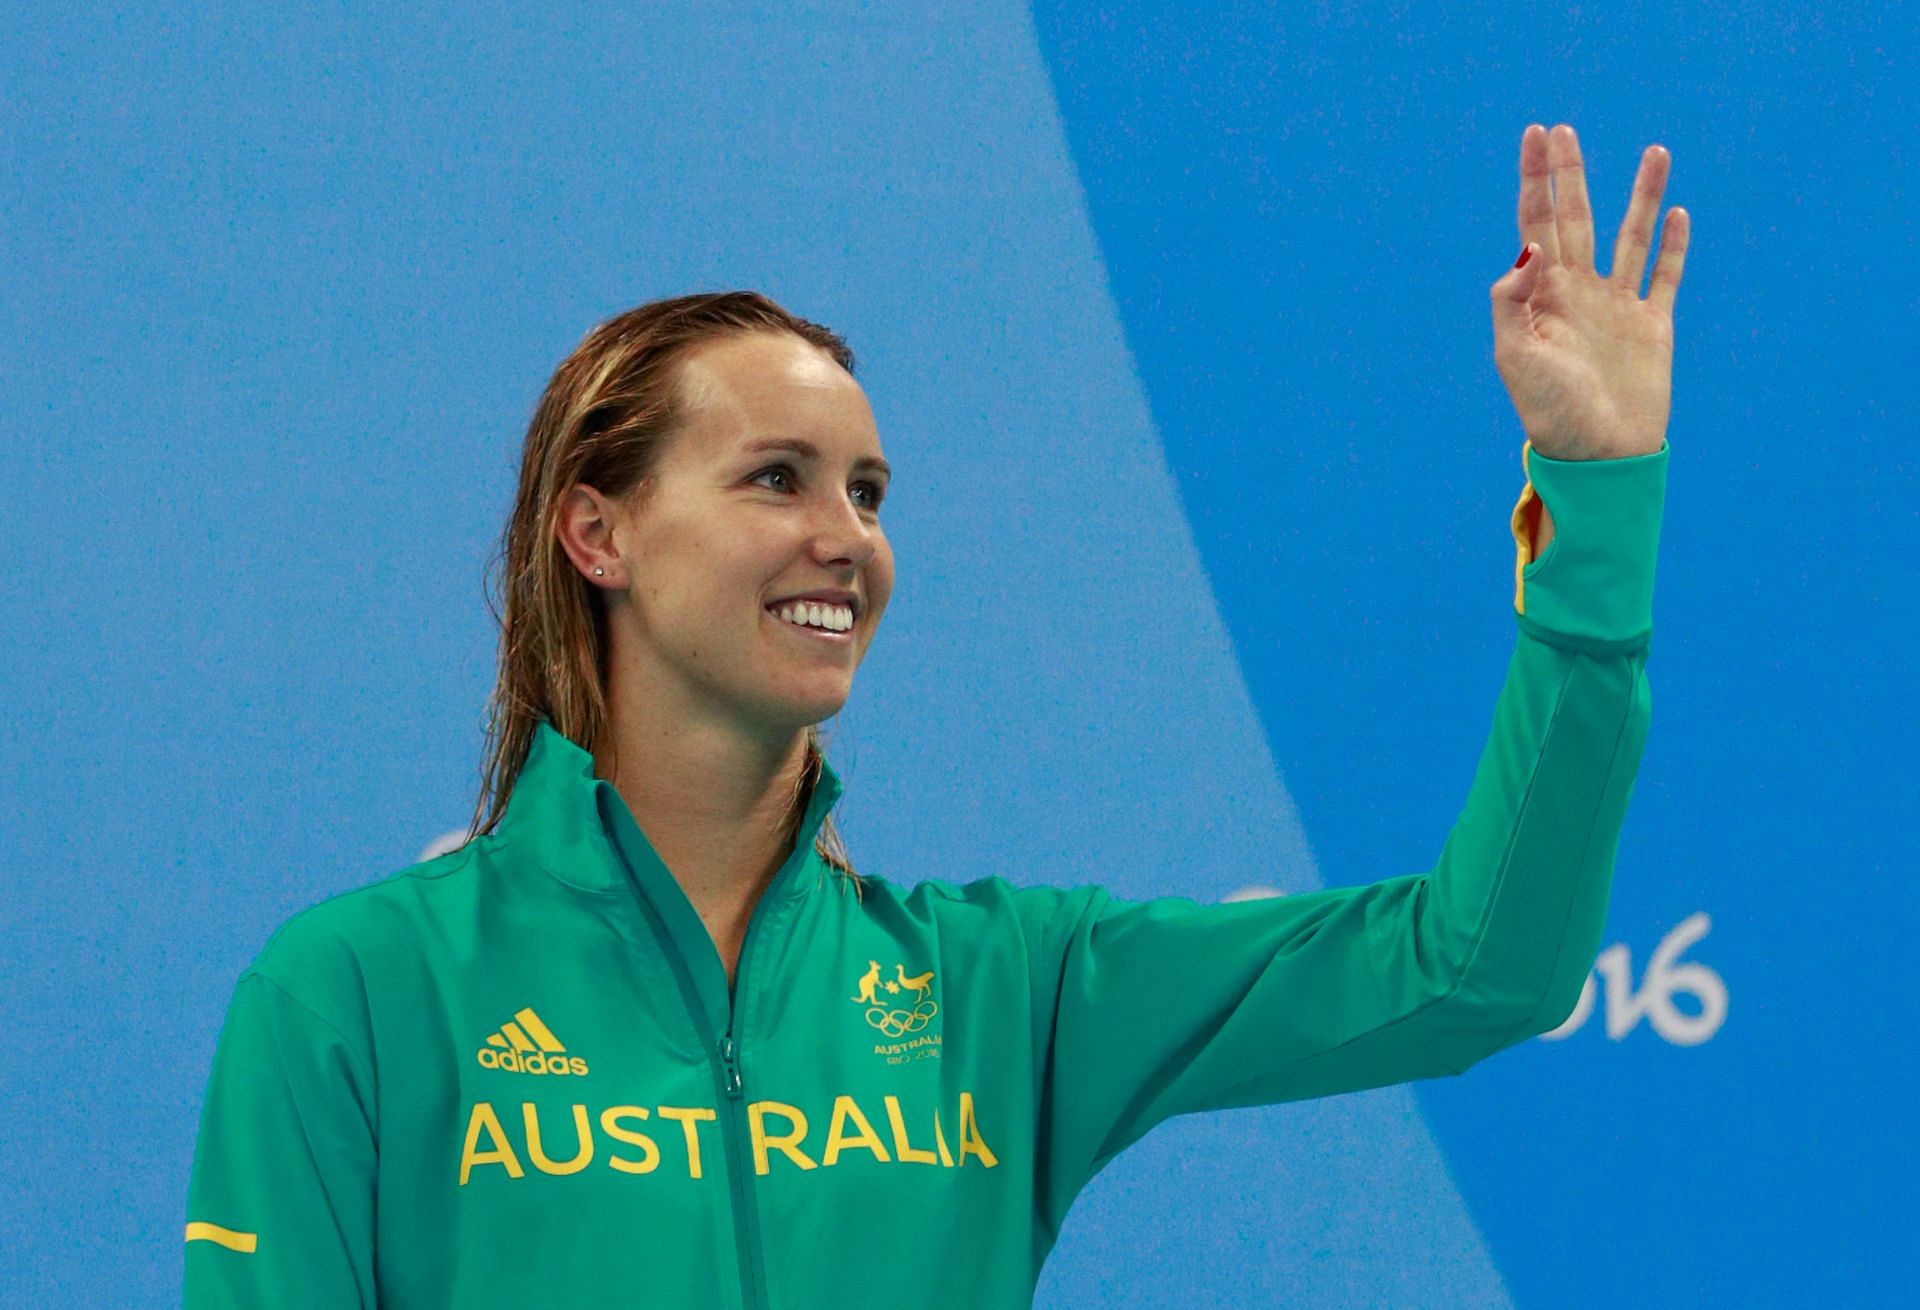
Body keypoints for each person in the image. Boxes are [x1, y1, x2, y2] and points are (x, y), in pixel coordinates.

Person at [183, 123, 1688, 1309]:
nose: (846, 535)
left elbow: (1477, 965)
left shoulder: (1005, 988)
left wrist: (1597, 499)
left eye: (868, 492)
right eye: (776, 476)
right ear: (599, 533)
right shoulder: (357, 992)